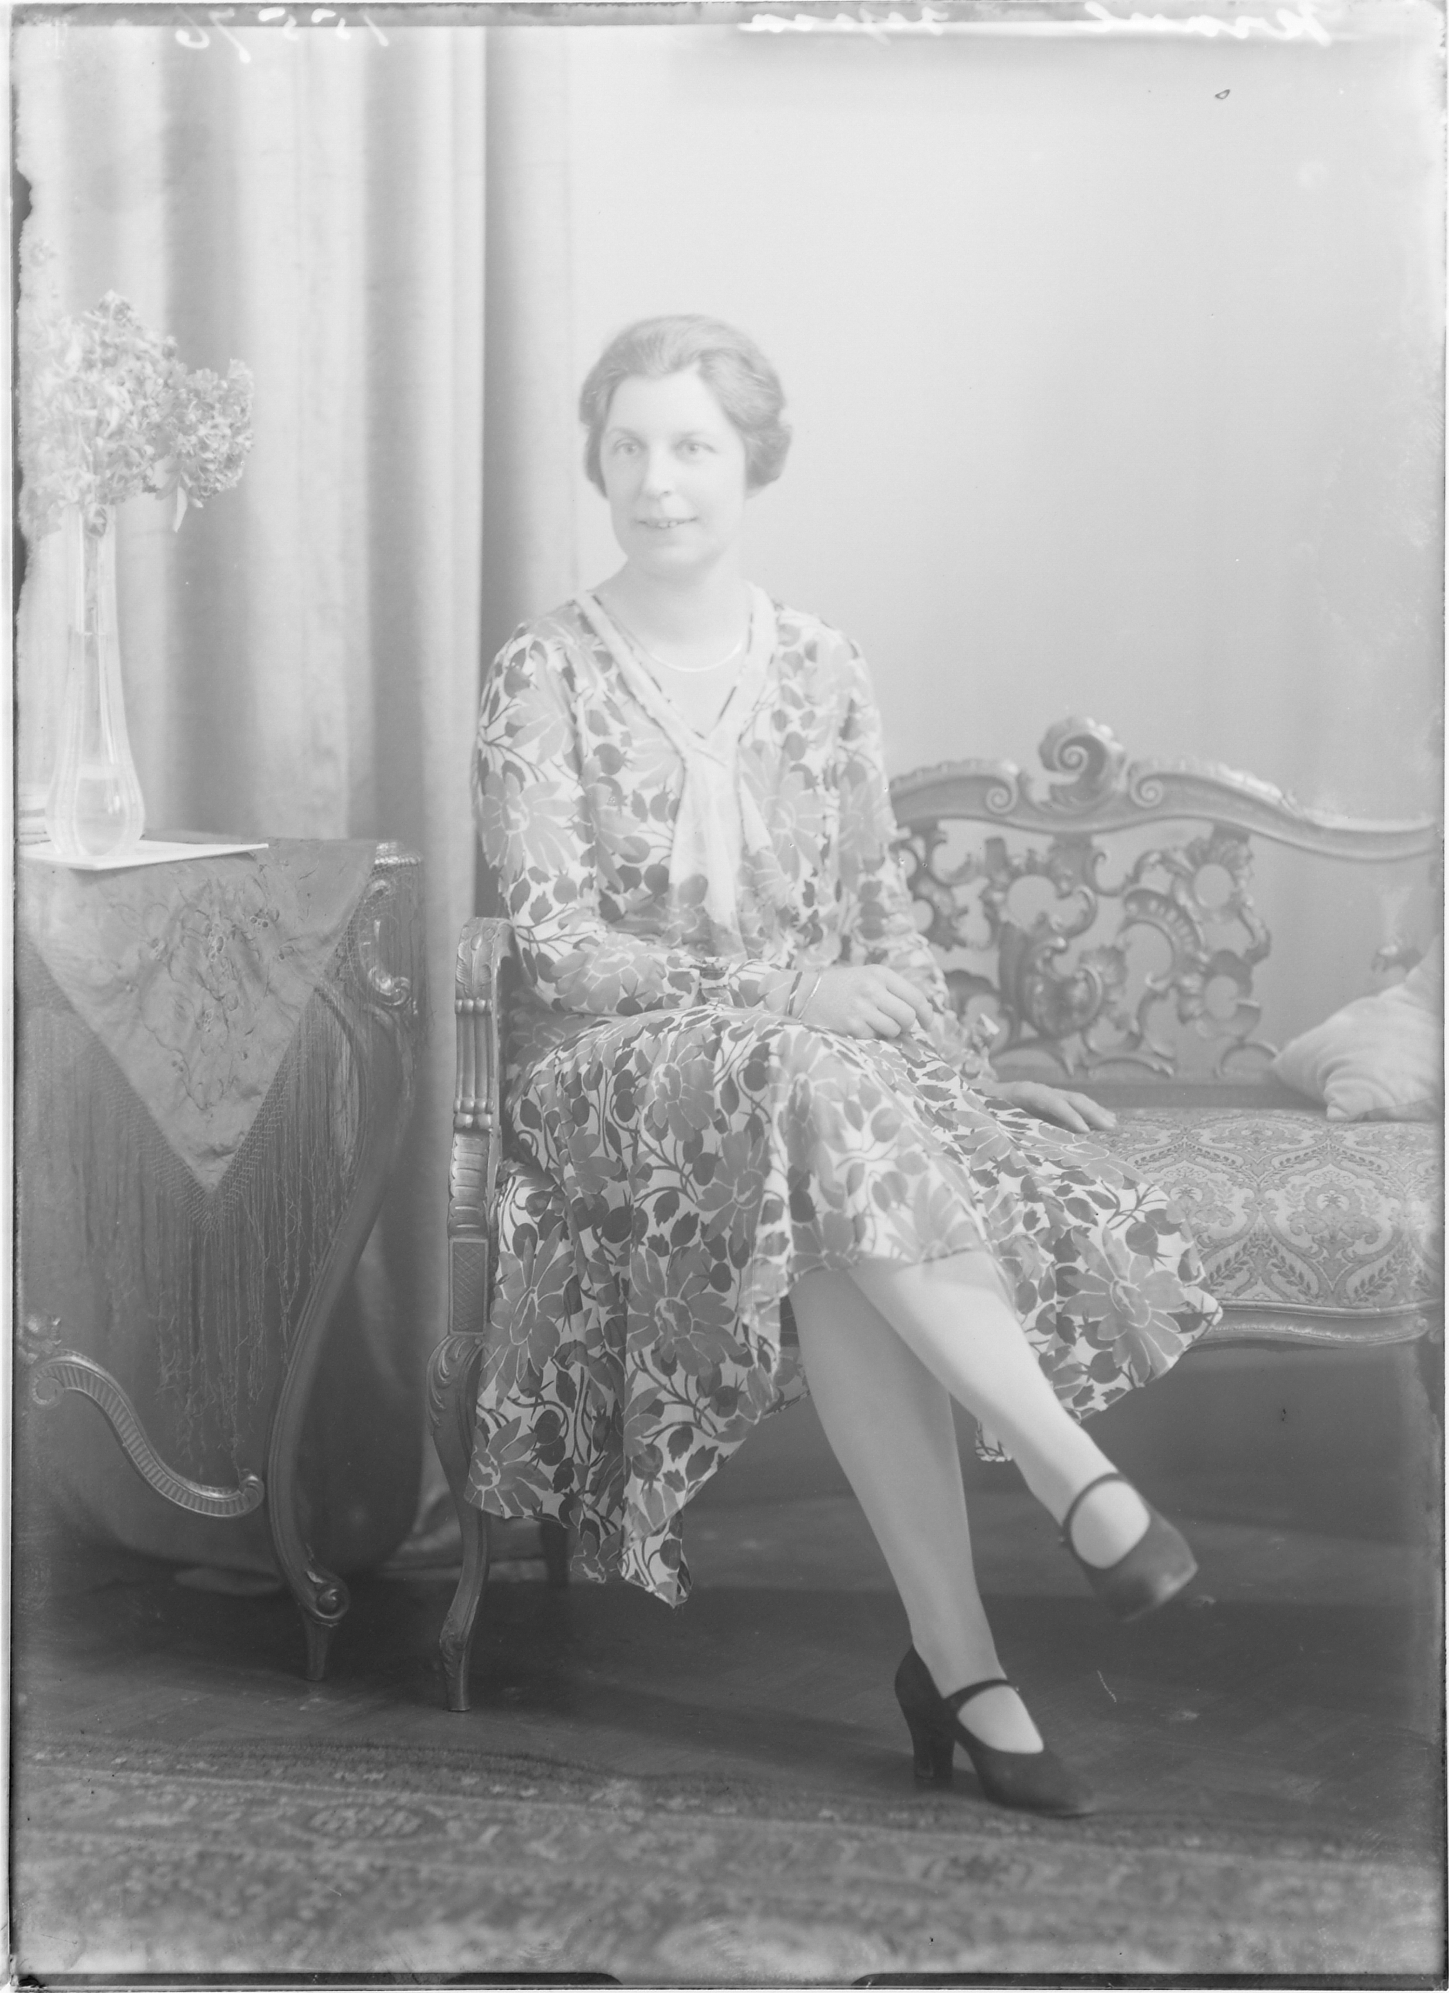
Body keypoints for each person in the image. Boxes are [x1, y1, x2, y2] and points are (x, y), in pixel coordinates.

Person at [469, 314, 1221, 1817]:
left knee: (823, 1169)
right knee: (804, 1089)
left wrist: (954, 1068)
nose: (657, 480)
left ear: (752, 462)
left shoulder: (821, 666)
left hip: (802, 1093)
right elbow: (555, 947)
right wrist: (786, 990)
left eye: (692, 446)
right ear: (596, 464)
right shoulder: (539, 672)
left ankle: (961, 1663)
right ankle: (1074, 1476)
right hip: (615, 1078)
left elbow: (882, 916)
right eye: (628, 446)